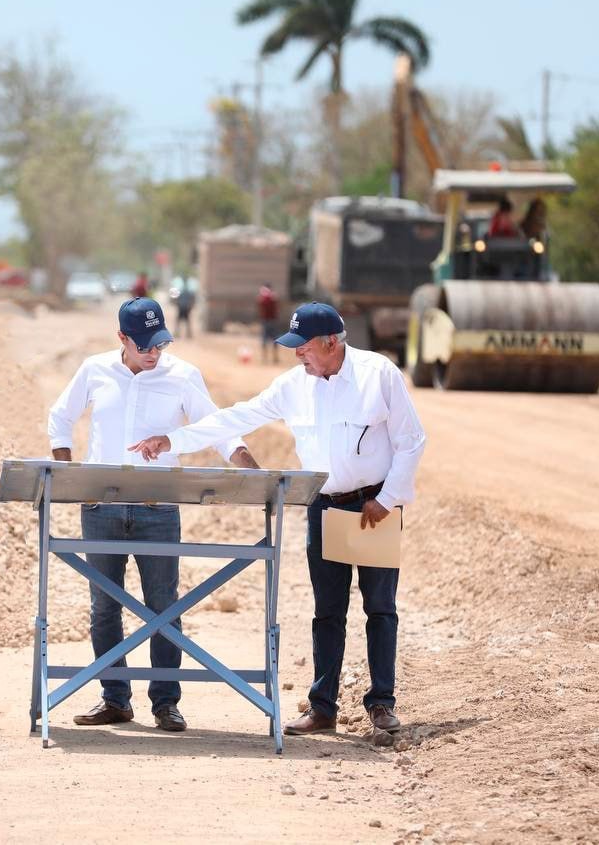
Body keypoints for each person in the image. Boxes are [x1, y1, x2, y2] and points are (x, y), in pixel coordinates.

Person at [129, 302, 425, 737]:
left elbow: (412, 441)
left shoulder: (378, 375)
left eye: (302, 347)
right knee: (327, 611)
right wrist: (171, 439)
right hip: (323, 505)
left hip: (372, 507)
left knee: (379, 608)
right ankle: (323, 707)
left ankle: (382, 703)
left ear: (330, 343)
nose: (296, 355)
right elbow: (235, 417)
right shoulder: (293, 385)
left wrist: (387, 498)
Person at [48, 297, 260, 733]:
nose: (152, 352)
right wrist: (68, 471)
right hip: (101, 508)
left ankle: (165, 702)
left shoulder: (182, 375)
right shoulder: (94, 370)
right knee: (104, 608)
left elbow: (216, 425)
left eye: (159, 343)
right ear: (121, 338)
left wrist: (250, 466)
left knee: (164, 605)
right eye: (142, 344)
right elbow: (60, 416)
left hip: (157, 509)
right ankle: (114, 698)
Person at [257, 283, 280, 364]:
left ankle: (267, 358)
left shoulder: (265, 297)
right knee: (273, 340)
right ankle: (272, 357)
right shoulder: (273, 297)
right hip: (271, 320)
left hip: (268, 321)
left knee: (267, 339)